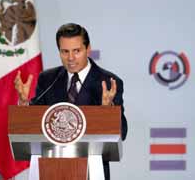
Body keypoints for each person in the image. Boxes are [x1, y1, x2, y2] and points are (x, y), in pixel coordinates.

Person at [14, 23, 127, 180]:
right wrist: (24, 103)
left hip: (91, 171)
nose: (71, 58)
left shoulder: (108, 82)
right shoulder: (48, 80)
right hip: (51, 170)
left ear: (88, 49)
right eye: (65, 52)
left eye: (77, 51)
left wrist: (107, 110)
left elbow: (123, 131)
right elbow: (34, 124)